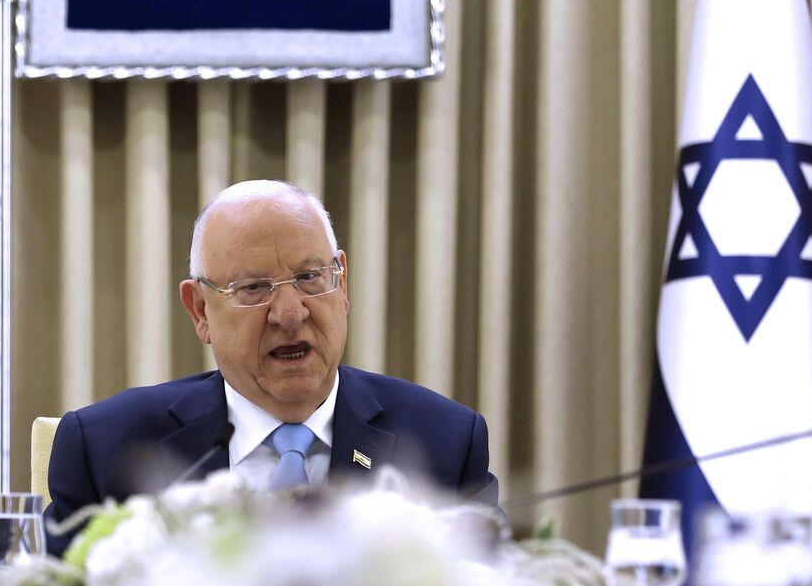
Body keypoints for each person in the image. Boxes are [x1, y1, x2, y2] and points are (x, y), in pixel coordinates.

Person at [44, 180, 498, 556]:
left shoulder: (447, 442)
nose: (289, 312)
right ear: (200, 310)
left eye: (309, 278)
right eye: (254, 287)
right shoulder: (106, 450)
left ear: (342, 284)